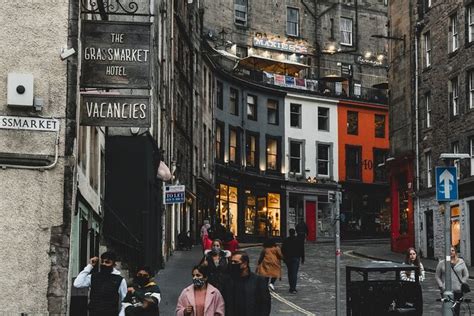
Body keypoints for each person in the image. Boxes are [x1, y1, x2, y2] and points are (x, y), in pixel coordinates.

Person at [73, 251, 127, 316]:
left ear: (113, 264)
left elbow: (124, 300)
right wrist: (90, 266)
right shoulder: (93, 277)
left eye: (107, 262)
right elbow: (77, 284)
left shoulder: (120, 280)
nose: (103, 264)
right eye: (102, 261)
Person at [225, 250, 271, 316]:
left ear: (245, 264)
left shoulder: (258, 281)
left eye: (235, 262)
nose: (232, 264)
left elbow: (265, 304)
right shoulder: (228, 281)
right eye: (231, 262)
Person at [435, 246, 469, 316]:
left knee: (456, 310)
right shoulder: (441, 263)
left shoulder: (461, 262)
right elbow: (437, 276)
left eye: (452, 250)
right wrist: (441, 286)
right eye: (449, 251)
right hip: (445, 290)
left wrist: (462, 282)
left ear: (455, 252)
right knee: (447, 309)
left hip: (458, 290)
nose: (451, 252)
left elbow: (466, 275)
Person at [400, 248, 424, 316]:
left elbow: (422, 277)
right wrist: (414, 279)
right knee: (408, 307)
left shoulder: (420, 265)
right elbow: (403, 278)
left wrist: (411, 278)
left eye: (414, 254)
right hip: (407, 288)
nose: (412, 256)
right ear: (408, 256)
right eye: (410, 254)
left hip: (417, 288)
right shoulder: (404, 265)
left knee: (418, 307)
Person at [281, 228, 305, 294]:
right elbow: (302, 250)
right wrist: (302, 258)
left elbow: (282, 250)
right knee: (294, 273)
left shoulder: (286, 240)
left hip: (288, 258)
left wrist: (283, 258)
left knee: (290, 273)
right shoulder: (299, 240)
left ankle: (291, 287)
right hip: (296, 258)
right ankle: (293, 288)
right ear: (294, 233)